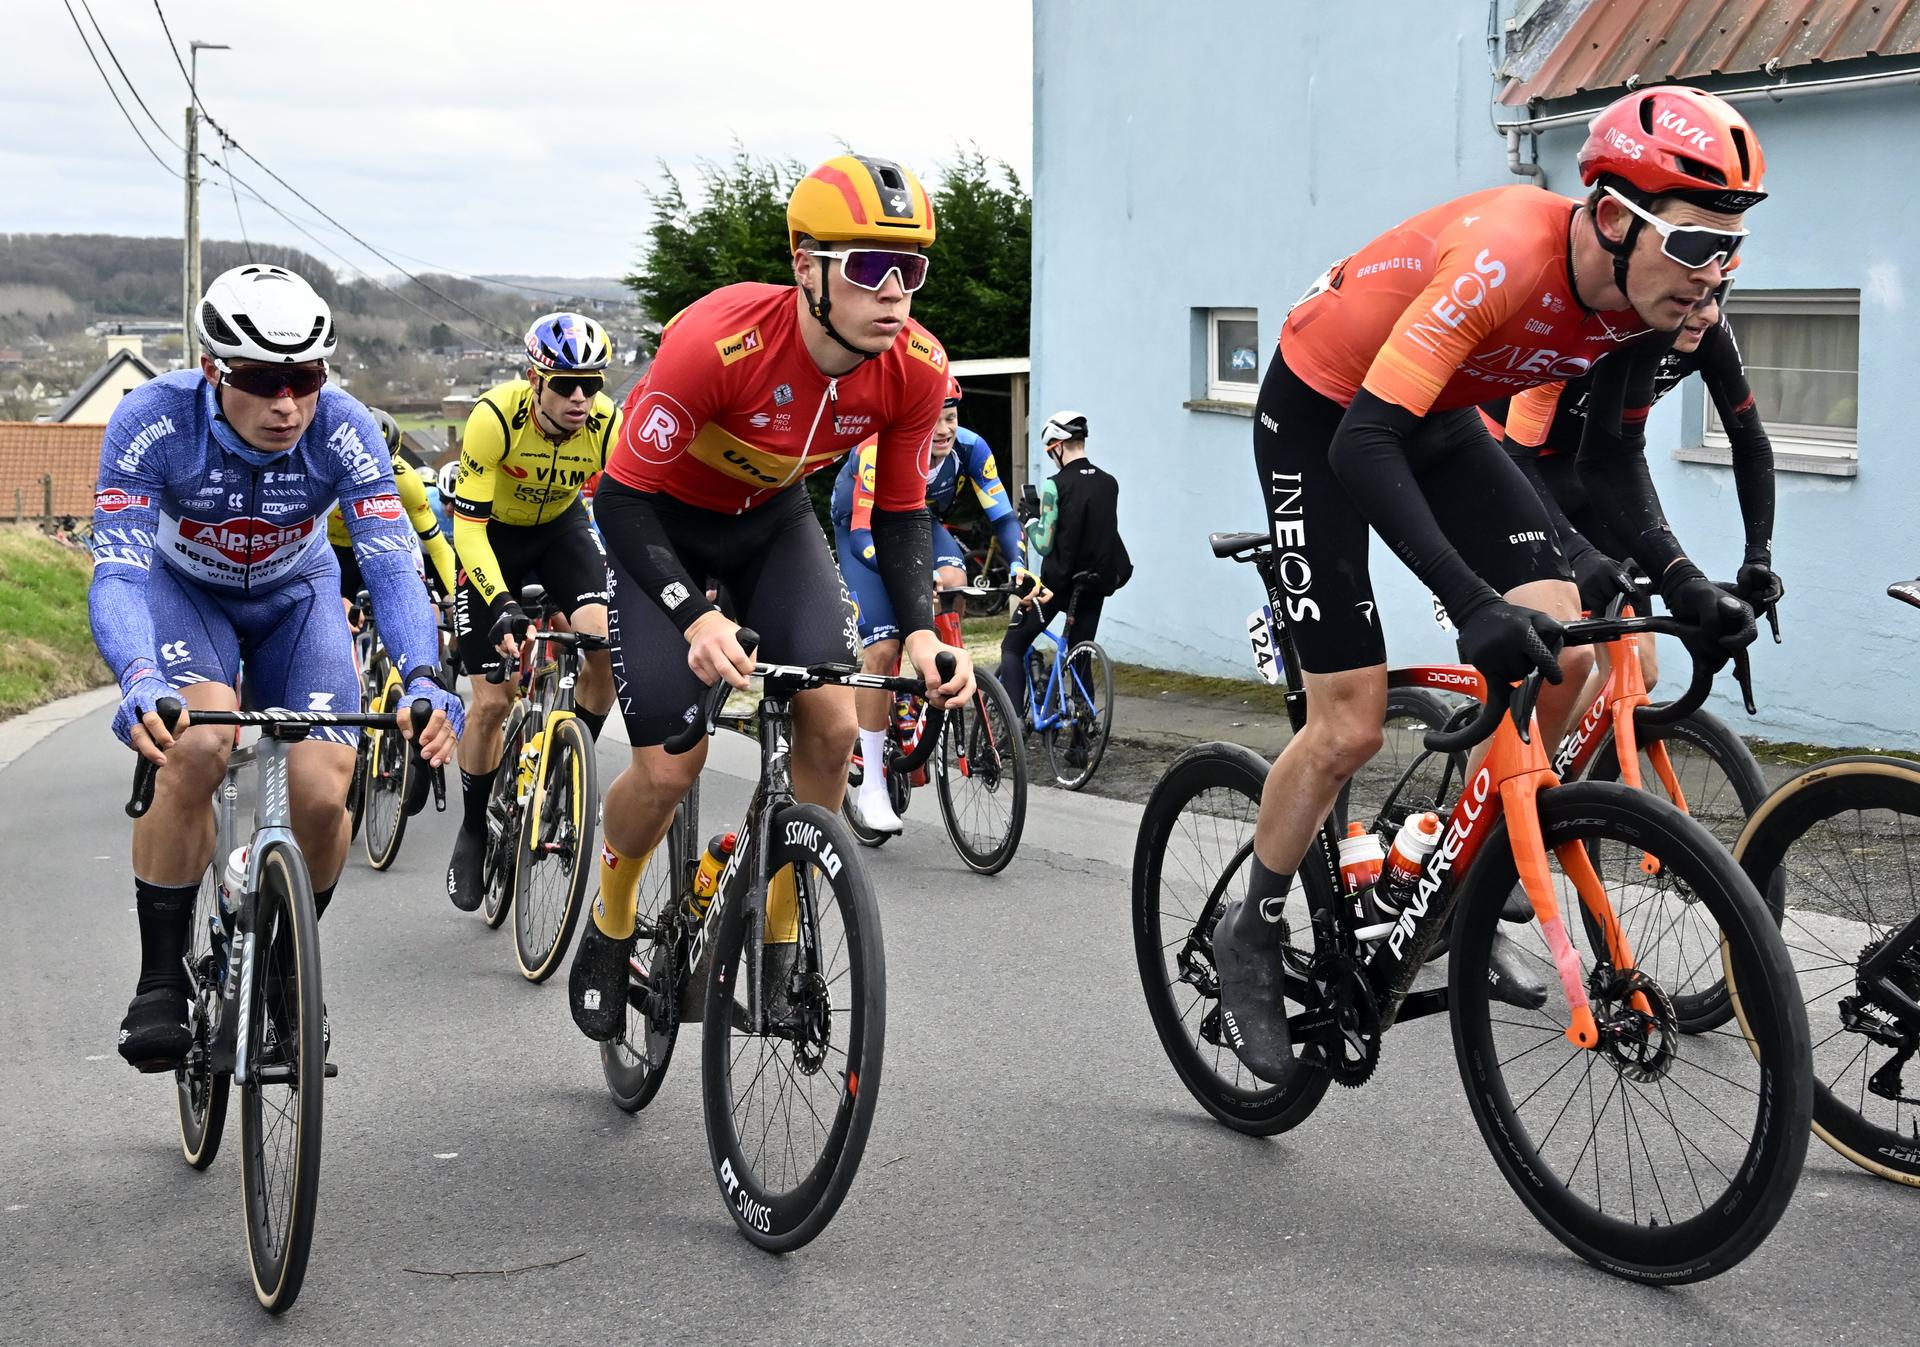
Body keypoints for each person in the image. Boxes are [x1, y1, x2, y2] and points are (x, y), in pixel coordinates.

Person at [1212, 86, 1768, 1082]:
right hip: (1327, 413)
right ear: (1612, 217)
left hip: (1439, 414)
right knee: (1351, 725)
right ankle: (1248, 930)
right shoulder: (1509, 252)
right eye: (1694, 246)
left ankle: (1447, 892)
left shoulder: (1647, 300)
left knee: (1571, 663)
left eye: (1728, 249)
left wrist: (1686, 583)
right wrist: (1471, 604)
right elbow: (1367, 443)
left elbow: (1608, 467)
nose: (1711, 274)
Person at [570, 153, 974, 1041]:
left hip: (771, 521)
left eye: (912, 269)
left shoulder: (914, 366)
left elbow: (902, 509)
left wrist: (918, 634)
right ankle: (612, 912)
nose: (896, 292)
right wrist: (692, 612)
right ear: (807, 266)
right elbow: (621, 496)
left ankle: (782, 940)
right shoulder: (718, 341)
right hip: (663, 524)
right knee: (671, 766)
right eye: (870, 267)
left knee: (830, 726)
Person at [89, 263, 463, 1071]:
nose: (287, 403)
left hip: (297, 600)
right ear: (214, 368)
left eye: (306, 378)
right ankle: (160, 979)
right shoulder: (151, 422)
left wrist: (425, 676)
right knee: (194, 743)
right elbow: (117, 571)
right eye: (262, 380)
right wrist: (136, 676)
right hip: (185, 595)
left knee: (325, 789)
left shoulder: (346, 426)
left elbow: (394, 562)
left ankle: (290, 971)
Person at [1484, 278, 1783, 700]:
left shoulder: (1707, 333)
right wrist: (1576, 551)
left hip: (1586, 470)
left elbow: (1750, 443)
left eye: (1717, 296)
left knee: (1639, 672)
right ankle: (1519, 765)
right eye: (1692, 299)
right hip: (1503, 463)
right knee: (1566, 664)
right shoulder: (1582, 334)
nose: (1710, 313)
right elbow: (1517, 458)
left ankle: (1571, 761)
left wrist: (1758, 556)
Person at [444, 313, 621, 911]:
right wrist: (499, 605)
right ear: (533, 378)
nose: (580, 398)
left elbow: (629, 511)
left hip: (562, 531)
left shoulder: (605, 424)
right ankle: (473, 827)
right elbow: (466, 530)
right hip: (494, 539)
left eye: (591, 385)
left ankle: (571, 764)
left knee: (603, 643)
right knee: (494, 701)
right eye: (566, 384)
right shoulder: (494, 418)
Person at [831, 375, 1031, 831]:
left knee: (955, 578)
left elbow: (1001, 516)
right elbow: (863, 532)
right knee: (882, 649)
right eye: (933, 418)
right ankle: (874, 783)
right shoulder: (876, 449)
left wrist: (1019, 565)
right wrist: (911, 578)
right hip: (862, 530)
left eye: (951, 417)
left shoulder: (970, 449)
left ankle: (930, 677)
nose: (943, 429)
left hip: (918, 522)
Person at [995, 411, 1128, 746]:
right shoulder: (1108, 483)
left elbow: (1045, 542)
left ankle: (1011, 730)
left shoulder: (1056, 485)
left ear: (1057, 445)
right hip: (1095, 585)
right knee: (1079, 652)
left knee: (1012, 645)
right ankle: (1081, 745)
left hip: (1055, 588)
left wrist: (1029, 520)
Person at [326, 408, 458, 621]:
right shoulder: (325, 474)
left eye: (383, 465)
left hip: (381, 549)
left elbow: (438, 546)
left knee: (422, 614)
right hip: (332, 552)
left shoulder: (406, 480)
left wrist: (456, 594)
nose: (374, 475)